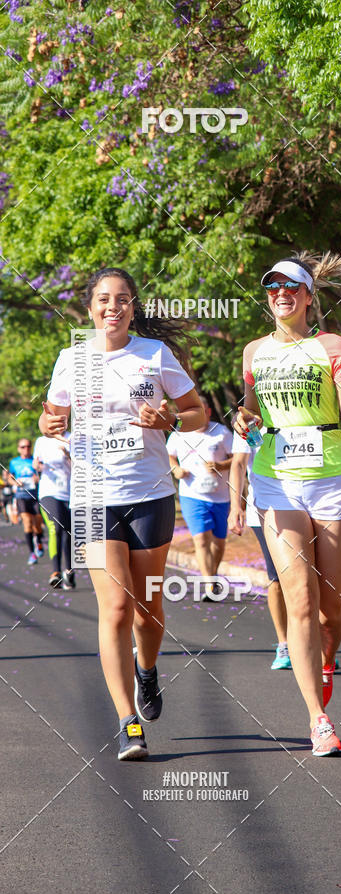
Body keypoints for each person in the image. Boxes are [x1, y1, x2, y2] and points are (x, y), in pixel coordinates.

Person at [39, 266, 205, 761]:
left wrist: (170, 418)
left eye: (123, 299)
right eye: (104, 299)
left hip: (150, 494)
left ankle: (147, 670)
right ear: (90, 308)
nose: (113, 306)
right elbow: (53, 417)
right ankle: (128, 720)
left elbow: (198, 412)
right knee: (114, 608)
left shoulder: (153, 355)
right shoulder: (72, 359)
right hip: (92, 494)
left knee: (147, 610)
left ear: (133, 307)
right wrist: (51, 423)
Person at [233, 251, 341, 757]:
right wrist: (242, 421)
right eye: (272, 288)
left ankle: (326, 659)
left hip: (332, 479)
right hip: (275, 481)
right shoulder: (254, 353)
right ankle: (318, 720)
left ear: (309, 296)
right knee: (300, 601)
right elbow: (251, 412)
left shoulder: (332, 345)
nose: (280, 295)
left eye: (290, 287)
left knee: (329, 609)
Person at [228, 426, 290, 669]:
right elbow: (239, 464)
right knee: (277, 577)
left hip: (307, 506)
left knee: (309, 578)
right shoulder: (248, 421)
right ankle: (284, 643)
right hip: (264, 509)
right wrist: (236, 506)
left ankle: (314, 642)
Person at [167, 396, 232, 601]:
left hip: (220, 497)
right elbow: (169, 455)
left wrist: (221, 466)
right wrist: (176, 468)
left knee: (219, 543)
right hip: (191, 495)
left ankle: (212, 573)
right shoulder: (179, 434)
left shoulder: (221, 433)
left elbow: (238, 458)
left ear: (209, 412)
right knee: (201, 539)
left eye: (202, 412)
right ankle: (210, 585)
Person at [33, 432, 74, 589]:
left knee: (68, 532)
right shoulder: (41, 441)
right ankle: (55, 572)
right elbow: (36, 465)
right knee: (55, 528)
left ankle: (69, 571)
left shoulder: (71, 437)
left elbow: (82, 465)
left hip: (70, 492)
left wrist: (67, 454)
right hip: (49, 492)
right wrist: (37, 466)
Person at [8, 438, 44, 565]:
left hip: (35, 496)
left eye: (28, 446)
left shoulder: (35, 460)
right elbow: (9, 477)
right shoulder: (14, 462)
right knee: (27, 523)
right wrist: (15, 482)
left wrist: (37, 478)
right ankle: (32, 553)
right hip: (21, 496)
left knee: (38, 525)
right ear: (19, 448)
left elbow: (44, 475)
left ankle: (39, 541)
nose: (26, 449)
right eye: (23, 447)